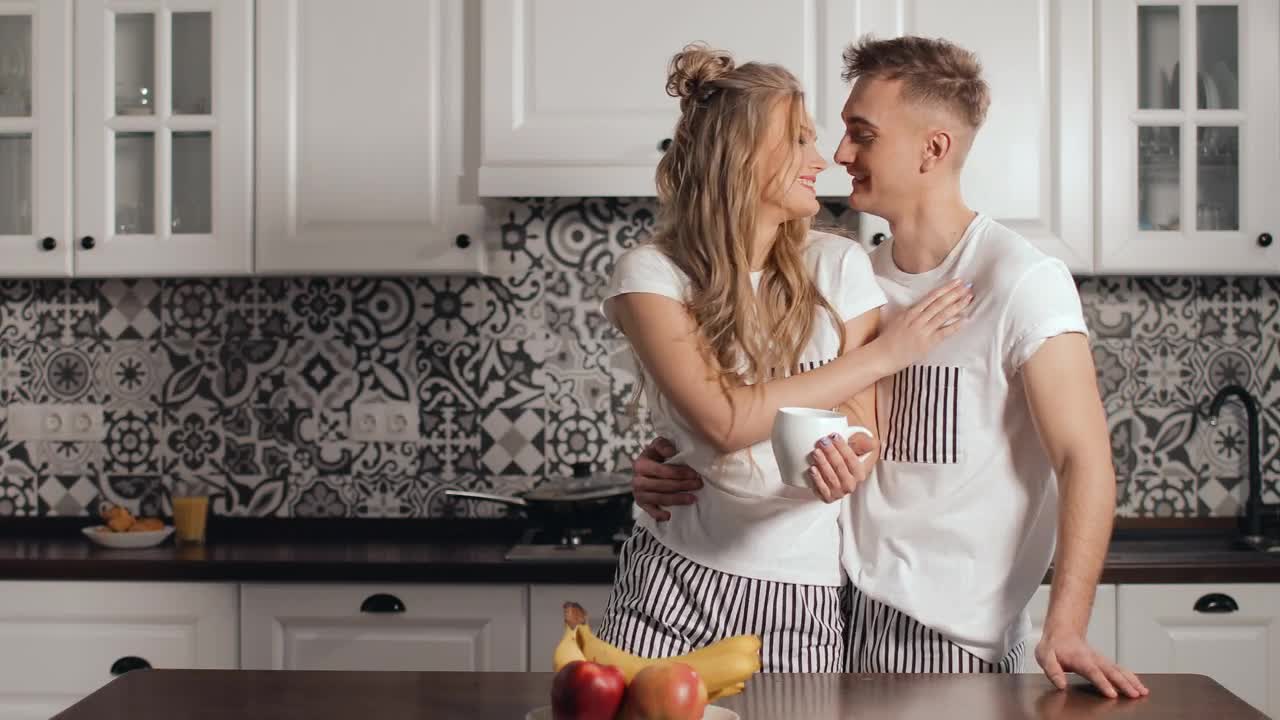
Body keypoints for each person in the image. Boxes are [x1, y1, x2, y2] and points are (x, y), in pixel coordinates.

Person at [628, 36, 1149, 699]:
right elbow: (790, 419)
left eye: (862, 134)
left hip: (954, 636)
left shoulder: (1019, 279)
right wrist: (681, 459)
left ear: (934, 149)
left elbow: (1085, 459)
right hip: (839, 611)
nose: (841, 154)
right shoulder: (851, 278)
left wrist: (1066, 623)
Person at [596, 43, 973, 672]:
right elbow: (723, 422)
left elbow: (860, 426)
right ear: (741, 154)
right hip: (668, 583)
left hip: (800, 596)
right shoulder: (651, 275)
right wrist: (887, 354)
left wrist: (849, 463)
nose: (821, 160)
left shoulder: (840, 265)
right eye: (799, 140)